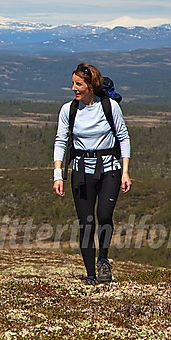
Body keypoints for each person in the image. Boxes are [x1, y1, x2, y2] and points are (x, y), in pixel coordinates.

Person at [53, 63, 131, 285]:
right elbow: (60, 141)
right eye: (73, 84)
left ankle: (103, 259)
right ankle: (90, 274)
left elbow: (123, 137)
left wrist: (125, 172)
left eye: (78, 84)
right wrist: (58, 174)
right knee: (86, 222)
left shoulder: (109, 107)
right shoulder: (68, 110)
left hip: (110, 170)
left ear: (91, 85)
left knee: (104, 215)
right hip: (80, 172)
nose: (74, 88)